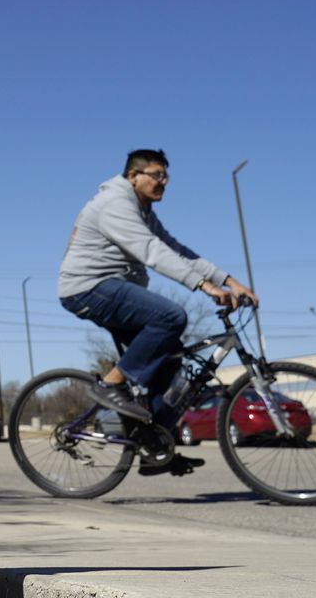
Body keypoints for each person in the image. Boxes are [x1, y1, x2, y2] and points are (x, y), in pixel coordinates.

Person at [58, 149, 258, 473]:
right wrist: (204, 287)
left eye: (166, 177)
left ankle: (154, 446)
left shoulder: (143, 211)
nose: (163, 182)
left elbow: (176, 250)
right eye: (156, 175)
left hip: (115, 289)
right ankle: (110, 386)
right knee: (171, 316)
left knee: (174, 366)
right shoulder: (116, 204)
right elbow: (151, 252)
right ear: (133, 176)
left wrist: (230, 281)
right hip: (88, 288)